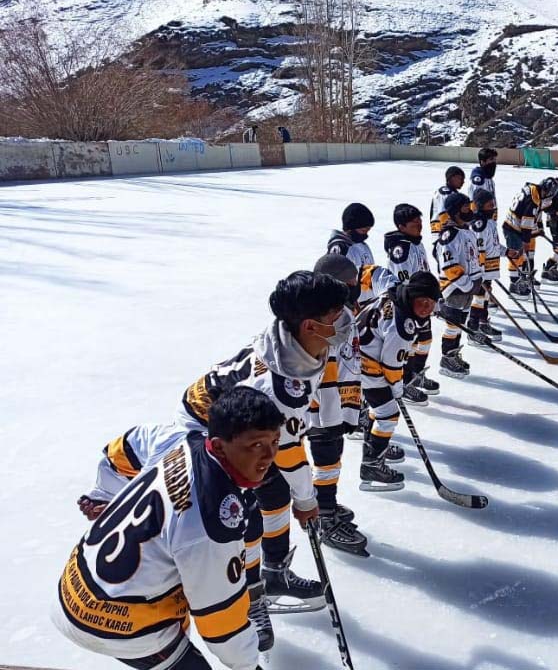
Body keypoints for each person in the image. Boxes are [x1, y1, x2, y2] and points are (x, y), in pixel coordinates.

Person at [54, 387, 284, 670]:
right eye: (256, 445)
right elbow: (222, 625)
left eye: (275, 441)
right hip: (116, 626)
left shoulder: (183, 440)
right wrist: (250, 666)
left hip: (72, 586)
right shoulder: (212, 522)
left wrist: (106, 494)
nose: (270, 456)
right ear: (220, 445)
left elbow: (129, 444)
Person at [178, 270, 351, 611]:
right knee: (245, 514)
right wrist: (307, 500)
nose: (347, 321)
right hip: (207, 433)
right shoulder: (279, 388)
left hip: (246, 424)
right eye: (337, 317)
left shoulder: (299, 342)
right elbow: (286, 451)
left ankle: (274, 573)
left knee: (273, 492)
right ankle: (250, 596)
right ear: (310, 326)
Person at [308, 253, 373, 556]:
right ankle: (324, 516)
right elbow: (330, 366)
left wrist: (351, 405)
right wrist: (342, 408)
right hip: (320, 406)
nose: (356, 287)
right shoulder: (326, 319)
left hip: (334, 402)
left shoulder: (343, 312)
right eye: (350, 283)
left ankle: (326, 503)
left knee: (332, 459)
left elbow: (350, 361)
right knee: (327, 459)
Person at [356, 272, 441, 491]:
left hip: (356, 355)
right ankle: (372, 465)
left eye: (431, 303)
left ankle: (374, 447)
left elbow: (375, 272)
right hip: (365, 364)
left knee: (380, 409)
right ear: (412, 296)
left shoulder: (394, 293)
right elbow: (391, 366)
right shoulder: (402, 326)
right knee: (389, 413)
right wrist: (397, 389)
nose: (426, 308)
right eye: (422, 302)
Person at [383, 204, 439, 403]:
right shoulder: (401, 249)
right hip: (410, 306)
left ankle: (415, 374)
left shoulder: (416, 242)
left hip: (424, 302)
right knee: (408, 344)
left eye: (420, 221)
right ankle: (405, 381)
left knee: (425, 340)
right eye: (414, 223)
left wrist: (434, 298)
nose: (420, 225)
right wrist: (419, 301)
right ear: (401, 226)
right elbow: (405, 282)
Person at [435, 193, 485, 376]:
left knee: (460, 322)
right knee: (453, 324)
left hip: (468, 286)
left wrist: (479, 278)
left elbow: (473, 259)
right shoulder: (449, 236)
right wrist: (467, 285)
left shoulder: (467, 231)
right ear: (455, 211)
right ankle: (446, 358)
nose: (470, 210)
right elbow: (449, 267)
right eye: (465, 207)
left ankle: (453, 353)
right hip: (455, 288)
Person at [503, 178, 558, 295]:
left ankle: (524, 277)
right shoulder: (532, 200)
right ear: (543, 189)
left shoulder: (536, 193)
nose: (547, 196)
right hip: (513, 228)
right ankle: (514, 283)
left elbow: (537, 215)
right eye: (547, 193)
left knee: (528, 254)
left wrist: (540, 229)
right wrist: (525, 241)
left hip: (519, 226)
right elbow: (526, 224)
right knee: (516, 254)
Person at [469, 188, 510, 335]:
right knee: (479, 297)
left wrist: (506, 252)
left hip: (490, 269)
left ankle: (482, 322)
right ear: (480, 205)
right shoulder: (479, 224)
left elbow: (493, 245)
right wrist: (479, 271)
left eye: (493, 203)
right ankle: (473, 326)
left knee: (485, 296)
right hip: (482, 270)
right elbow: (478, 249)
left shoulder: (490, 222)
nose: (492, 207)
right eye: (489, 205)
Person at [327, 203, 375, 268]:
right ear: (350, 228)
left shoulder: (363, 246)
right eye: (363, 231)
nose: (366, 235)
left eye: (368, 230)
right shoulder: (340, 248)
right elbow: (332, 273)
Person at [430, 166, 466, 238]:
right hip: (443, 234)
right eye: (460, 178)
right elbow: (444, 215)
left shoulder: (453, 193)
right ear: (451, 178)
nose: (463, 182)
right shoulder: (445, 193)